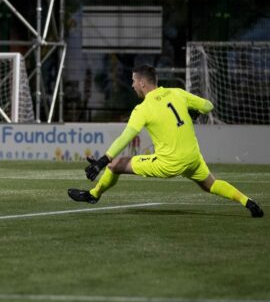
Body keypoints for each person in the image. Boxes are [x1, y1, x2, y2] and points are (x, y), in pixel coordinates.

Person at [68, 64, 263, 218]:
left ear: (143, 83)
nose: (133, 85)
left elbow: (126, 137)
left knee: (115, 165)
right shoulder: (177, 93)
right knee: (211, 184)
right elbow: (208, 105)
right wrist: (193, 111)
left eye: (134, 81)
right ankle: (248, 202)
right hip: (193, 157)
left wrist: (104, 160)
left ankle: (93, 195)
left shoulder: (143, 108)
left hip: (169, 163)